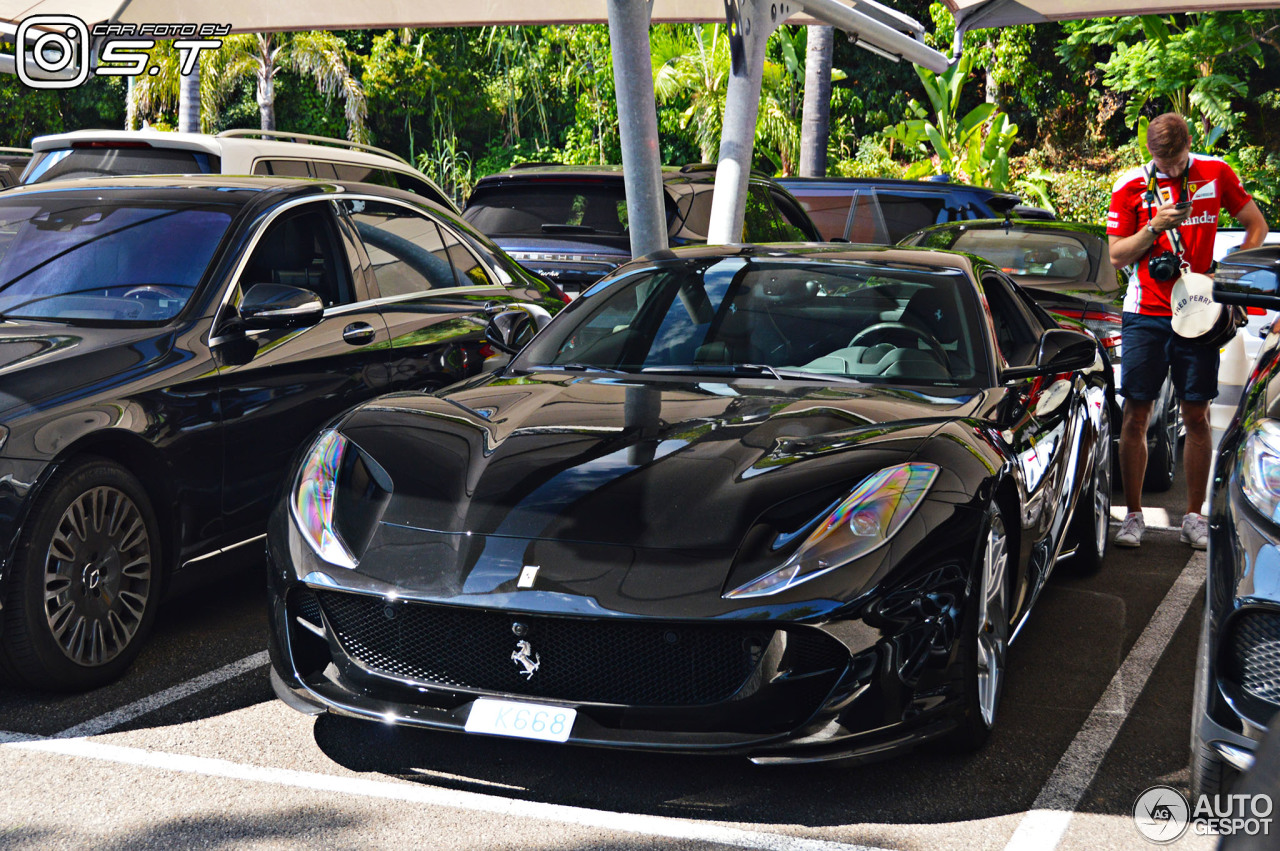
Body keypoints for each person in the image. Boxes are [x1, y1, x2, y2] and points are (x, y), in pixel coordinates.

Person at [1108, 113, 1269, 549]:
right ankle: (1133, 516)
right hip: (1145, 314)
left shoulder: (1216, 173)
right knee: (1136, 415)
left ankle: (1194, 517)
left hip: (1198, 314)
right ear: (1150, 153)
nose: (1172, 170)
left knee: (1196, 415)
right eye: (1163, 162)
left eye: (1178, 161)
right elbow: (1117, 256)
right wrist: (1153, 227)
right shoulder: (1131, 186)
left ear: (1188, 145)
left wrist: (1226, 272)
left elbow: (1258, 226)